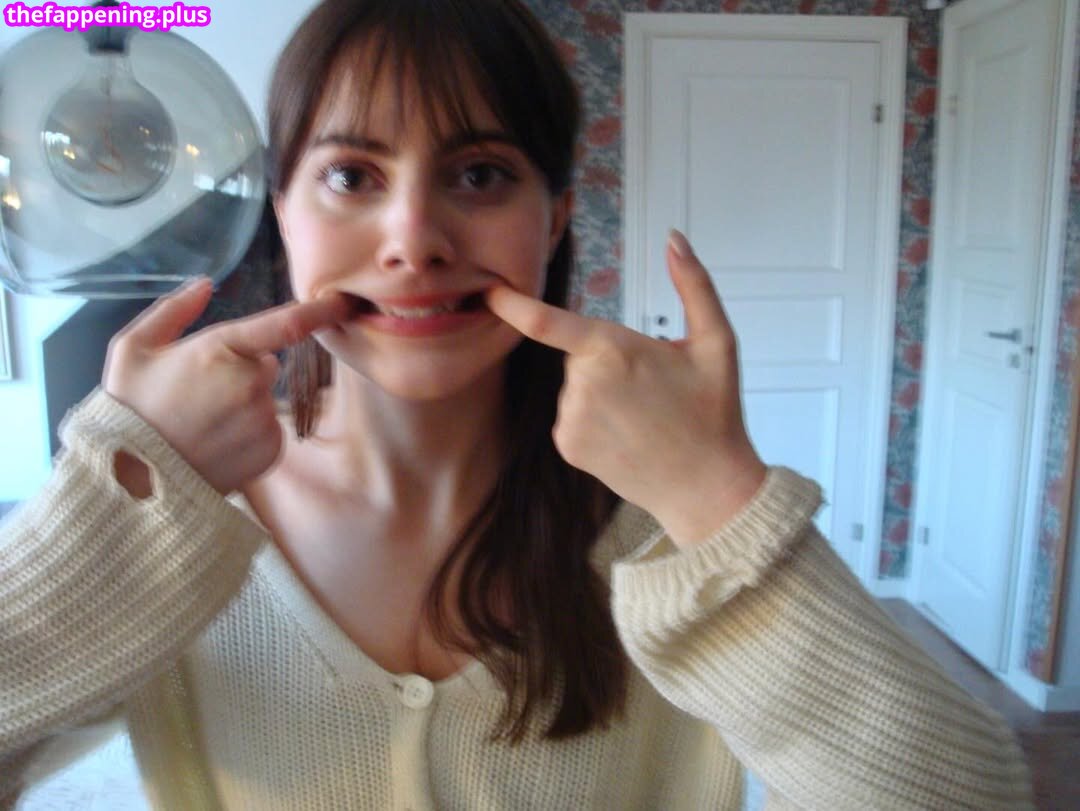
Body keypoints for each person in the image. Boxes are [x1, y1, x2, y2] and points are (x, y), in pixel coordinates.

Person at [0, 0, 1033, 808]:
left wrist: (722, 500)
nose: (414, 240)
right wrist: (113, 508)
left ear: (555, 220)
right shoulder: (171, 520)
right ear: (283, 214)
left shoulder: (664, 531)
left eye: (480, 173)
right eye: (352, 175)